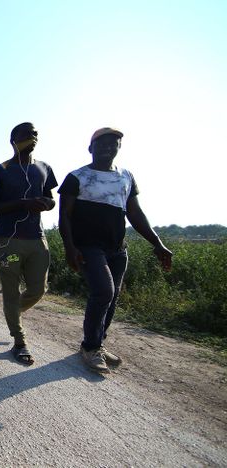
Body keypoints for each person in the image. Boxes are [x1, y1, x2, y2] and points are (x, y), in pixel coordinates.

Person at [58, 127, 172, 373]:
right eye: (102, 144)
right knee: (103, 292)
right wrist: (70, 248)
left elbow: (135, 213)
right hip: (88, 246)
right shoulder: (77, 177)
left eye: (114, 144)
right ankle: (90, 347)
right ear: (91, 148)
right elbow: (64, 216)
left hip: (117, 249)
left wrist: (157, 243)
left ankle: (98, 342)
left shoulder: (126, 177)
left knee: (112, 297)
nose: (108, 148)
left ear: (119, 148)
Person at [0, 122, 57, 366]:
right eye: (27, 133)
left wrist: (44, 203)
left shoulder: (44, 168)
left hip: (37, 240)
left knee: (38, 290)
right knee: (11, 291)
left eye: (35, 132)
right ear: (13, 139)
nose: (33, 136)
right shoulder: (0, 171)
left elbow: (51, 200)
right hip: (8, 242)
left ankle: (12, 313)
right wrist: (24, 203)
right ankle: (19, 340)